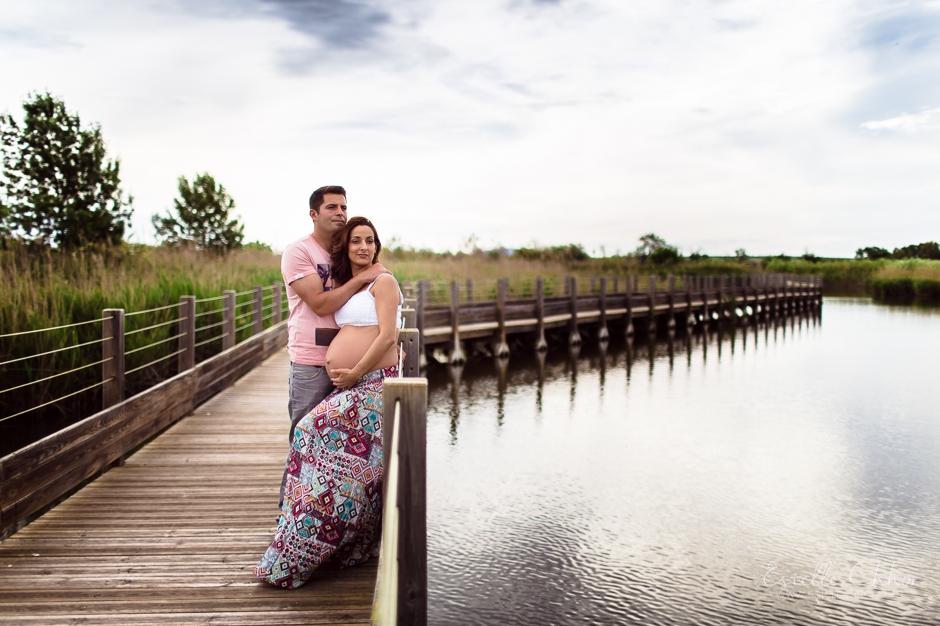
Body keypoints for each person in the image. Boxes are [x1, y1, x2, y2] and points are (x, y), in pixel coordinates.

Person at [256, 216, 402, 589]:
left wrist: (353, 374)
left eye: (370, 241)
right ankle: (302, 525)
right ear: (346, 247)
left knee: (311, 430)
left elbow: (388, 338)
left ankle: (315, 534)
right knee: (306, 435)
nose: (364, 247)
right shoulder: (351, 286)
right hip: (354, 385)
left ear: (377, 246)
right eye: (356, 241)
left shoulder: (384, 282)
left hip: (372, 385)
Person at [278, 186, 387, 507]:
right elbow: (320, 304)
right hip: (311, 362)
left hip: (354, 370)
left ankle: (327, 510)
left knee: (338, 445)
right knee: (303, 437)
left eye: (343, 207)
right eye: (332, 208)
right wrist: (362, 277)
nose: (340, 213)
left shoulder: (346, 255)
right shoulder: (299, 252)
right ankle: (289, 512)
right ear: (314, 214)